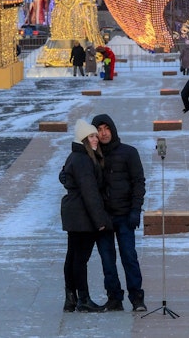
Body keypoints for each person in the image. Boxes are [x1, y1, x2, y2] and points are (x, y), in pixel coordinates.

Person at [91, 114, 146, 312]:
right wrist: (65, 175)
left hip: (125, 216)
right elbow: (76, 171)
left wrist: (135, 210)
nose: (104, 133)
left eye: (107, 128)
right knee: (107, 260)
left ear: (113, 129)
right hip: (103, 218)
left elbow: (138, 182)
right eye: (99, 129)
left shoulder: (129, 153)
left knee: (129, 257)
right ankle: (114, 298)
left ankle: (137, 298)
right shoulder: (92, 156)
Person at [59, 119, 110, 313]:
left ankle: (70, 299)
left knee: (73, 256)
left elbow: (65, 175)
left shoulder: (76, 156)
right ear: (83, 140)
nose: (96, 139)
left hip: (74, 213)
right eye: (91, 136)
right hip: (82, 216)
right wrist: (100, 221)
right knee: (80, 259)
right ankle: (83, 299)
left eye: (95, 135)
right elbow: (90, 192)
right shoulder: (84, 160)